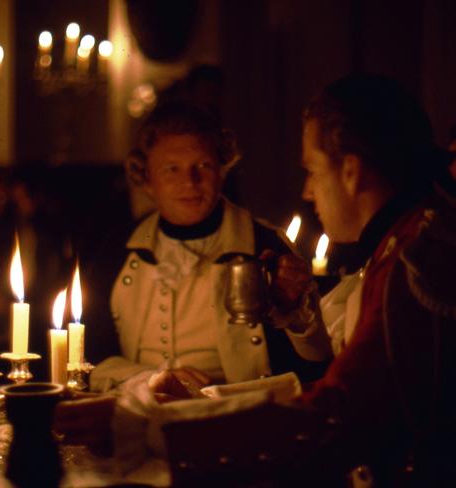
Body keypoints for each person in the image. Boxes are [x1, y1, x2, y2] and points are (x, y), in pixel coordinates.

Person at [154, 74, 455, 484]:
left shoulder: (418, 259)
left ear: (351, 171)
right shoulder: (401, 241)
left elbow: (342, 414)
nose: (308, 192)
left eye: (313, 171)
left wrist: (158, 434)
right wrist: (201, 405)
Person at [83, 102, 332, 394]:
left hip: (237, 418)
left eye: (203, 166)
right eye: (171, 169)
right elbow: (89, 354)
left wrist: (293, 310)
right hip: (140, 414)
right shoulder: (118, 250)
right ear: (147, 180)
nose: (189, 182)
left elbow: (317, 361)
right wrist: (148, 380)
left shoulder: (265, 245)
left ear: (222, 170)